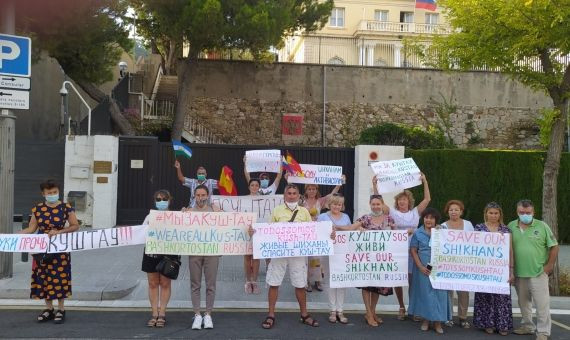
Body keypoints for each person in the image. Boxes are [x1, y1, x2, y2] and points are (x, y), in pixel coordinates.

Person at [248, 184, 319, 329]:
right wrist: (255, 233)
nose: (292, 195)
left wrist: (328, 234)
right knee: (274, 283)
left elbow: (312, 232)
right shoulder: (277, 211)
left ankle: (304, 314)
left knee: (300, 284)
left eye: (294, 193)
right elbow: (268, 231)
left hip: (298, 253)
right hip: (279, 252)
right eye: (289, 193)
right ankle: (271, 314)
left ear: (299, 196)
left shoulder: (304, 212)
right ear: (284, 196)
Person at [20, 179, 79, 324]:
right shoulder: (37, 209)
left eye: (55, 192)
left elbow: (75, 225)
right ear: (43, 194)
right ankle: (48, 309)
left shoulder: (66, 207)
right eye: (49, 193)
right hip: (41, 248)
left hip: (60, 248)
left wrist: (60, 232)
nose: (52, 195)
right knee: (44, 277)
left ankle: (61, 309)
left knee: (59, 277)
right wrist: (17, 235)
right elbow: (32, 228)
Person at [374, 173, 431, 320]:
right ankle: (401, 306)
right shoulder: (392, 212)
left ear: (409, 201)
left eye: (404, 199)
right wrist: (375, 185)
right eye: (399, 200)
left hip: (414, 250)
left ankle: (413, 308)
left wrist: (424, 180)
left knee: (413, 280)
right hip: (398, 250)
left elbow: (427, 199)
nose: (401, 202)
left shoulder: (415, 212)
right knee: (399, 279)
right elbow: (379, 201)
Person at [508, 200, 559, 340]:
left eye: (528, 212)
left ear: (533, 212)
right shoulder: (511, 226)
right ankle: (527, 326)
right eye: (522, 212)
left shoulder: (542, 226)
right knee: (523, 303)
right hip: (519, 273)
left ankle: (543, 332)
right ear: (517, 212)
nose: (525, 215)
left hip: (538, 272)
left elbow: (554, 246)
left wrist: (549, 266)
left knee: (542, 304)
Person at [344, 194, 395, 327]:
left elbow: (395, 235)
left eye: (378, 204)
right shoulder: (365, 218)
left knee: (377, 285)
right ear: (370, 204)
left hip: (381, 259)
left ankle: (372, 312)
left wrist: (407, 232)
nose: (376, 206)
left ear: (382, 204)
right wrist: (359, 228)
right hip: (366, 259)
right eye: (373, 204)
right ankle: (368, 312)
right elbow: (351, 228)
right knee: (367, 285)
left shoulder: (389, 218)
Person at [472, 202, 514, 336]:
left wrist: (511, 270)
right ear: (486, 214)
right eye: (491, 213)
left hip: (501, 270)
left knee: (501, 297)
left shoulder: (506, 230)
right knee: (486, 296)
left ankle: (502, 324)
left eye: (496, 213)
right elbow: (471, 247)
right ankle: (487, 323)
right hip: (484, 269)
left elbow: (510, 251)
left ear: (500, 214)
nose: (493, 215)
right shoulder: (479, 228)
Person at [141, 190, 181, 328]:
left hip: (168, 254)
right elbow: (141, 234)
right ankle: (154, 313)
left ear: (169, 200)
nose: (161, 201)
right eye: (158, 199)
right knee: (152, 283)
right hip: (151, 253)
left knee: (165, 283)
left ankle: (162, 313)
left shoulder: (176, 216)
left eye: (164, 199)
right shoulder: (149, 216)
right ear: (155, 201)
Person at [408, 207, 452, 334]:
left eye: (431, 218)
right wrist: (420, 266)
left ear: (436, 220)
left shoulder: (442, 230)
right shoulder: (418, 233)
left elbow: (452, 245)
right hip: (423, 268)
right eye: (426, 217)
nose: (428, 220)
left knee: (440, 294)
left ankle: (438, 322)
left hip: (439, 267)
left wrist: (441, 233)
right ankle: (426, 320)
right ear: (423, 218)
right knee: (425, 294)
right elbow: (413, 251)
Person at [185, 185, 222, 330]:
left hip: (211, 252)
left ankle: (208, 314)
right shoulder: (189, 212)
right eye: (198, 195)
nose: (200, 198)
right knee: (195, 284)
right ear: (194, 196)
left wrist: (220, 213)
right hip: (194, 252)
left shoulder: (214, 210)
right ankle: (197, 314)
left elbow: (229, 225)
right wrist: (183, 214)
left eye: (203, 195)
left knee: (210, 285)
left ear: (208, 196)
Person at [303, 177, 345, 292]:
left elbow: (332, 194)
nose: (312, 191)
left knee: (317, 257)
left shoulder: (320, 201)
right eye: (309, 189)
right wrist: (289, 180)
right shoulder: (301, 201)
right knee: (306, 257)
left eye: (314, 189)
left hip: (318, 232)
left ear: (317, 190)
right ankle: (307, 281)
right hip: (305, 232)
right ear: (306, 190)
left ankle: (317, 281)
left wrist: (339, 183)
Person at [316, 194, 352, 324]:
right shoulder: (322, 217)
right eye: (334, 203)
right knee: (330, 280)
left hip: (342, 253)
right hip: (327, 253)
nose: (337, 206)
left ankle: (340, 310)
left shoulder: (346, 217)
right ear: (329, 204)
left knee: (342, 281)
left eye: (339, 204)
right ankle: (332, 310)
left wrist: (338, 228)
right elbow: (317, 233)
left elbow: (350, 230)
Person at [441, 199, 474, 329]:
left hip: (464, 264)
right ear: (447, 212)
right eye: (451, 210)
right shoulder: (442, 226)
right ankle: (448, 317)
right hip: (448, 265)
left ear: (461, 211)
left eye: (456, 209)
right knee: (448, 292)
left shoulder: (468, 224)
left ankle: (463, 318)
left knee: (463, 292)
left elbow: (475, 243)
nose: (453, 212)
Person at [243, 178, 262, 295]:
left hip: (258, 232)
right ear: (249, 187)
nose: (254, 187)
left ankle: (254, 281)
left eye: (256, 185)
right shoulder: (244, 199)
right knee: (247, 257)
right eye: (252, 185)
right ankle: (247, 281)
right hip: (245, 231)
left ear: (259, 187)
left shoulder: (263, 200)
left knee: (256, 258)